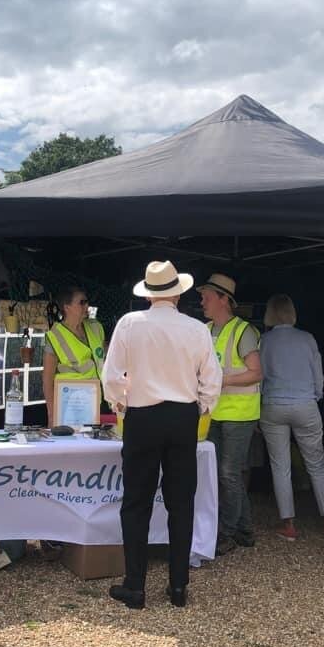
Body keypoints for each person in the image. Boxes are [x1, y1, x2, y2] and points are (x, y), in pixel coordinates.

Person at [102, 260, 221, 609]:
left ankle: (135, 585)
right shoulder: (197, 329)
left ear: (149, 294)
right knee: (181, 503)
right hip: (183, 417)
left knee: (136, 503)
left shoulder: (129, 324)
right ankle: (178, 586)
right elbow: (211, 379)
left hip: (142, 416)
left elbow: (111, 375)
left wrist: (121, 403)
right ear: (178, 293)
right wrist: (199, 407)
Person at [258, 294, 324, 541]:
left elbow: (259, 377)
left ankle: (289, 526)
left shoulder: (264, 341)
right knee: (317, 464)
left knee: (280, 467)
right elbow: (319, 376)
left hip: (273, 406)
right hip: (305, 404)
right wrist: (314, 395)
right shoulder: (308, 339)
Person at [197, 273, 261, 556]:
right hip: (213, 413)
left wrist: (220, 380)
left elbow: (257, 373)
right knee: (224, 475)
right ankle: (245, 530)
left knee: (228, 474)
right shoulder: (205, 329)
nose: (202, 302)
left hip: (240, 414)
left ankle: (226, 533)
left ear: (224, 300)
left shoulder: (244, 331)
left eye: (207, 297)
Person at [42, 285, 107, 425]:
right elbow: (47, 380)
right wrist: (52, 414)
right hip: (70, 404)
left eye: (87, 301)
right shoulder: (54, 336)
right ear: (67, 307)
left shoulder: (96, 327)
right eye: (81, 302)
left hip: (98, 400)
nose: (87, 305)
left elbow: (105, 359)